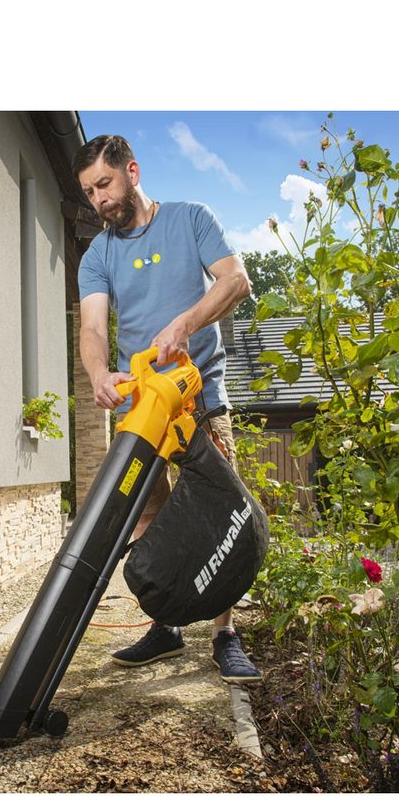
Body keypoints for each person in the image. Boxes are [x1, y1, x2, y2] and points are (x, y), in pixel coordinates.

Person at [72, 134, 262, 684]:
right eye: (89, 192)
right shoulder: (99, 254)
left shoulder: (190, 219)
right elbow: (92, 328)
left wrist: (186, 322)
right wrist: (98, 374)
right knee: (146, 514)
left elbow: (236, 280)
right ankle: (165, 626)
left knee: (218, 510)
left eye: (104, 184)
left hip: (198, 397)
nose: (99, 199)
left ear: (131, 171)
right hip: (141, 408)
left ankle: (225, 635)